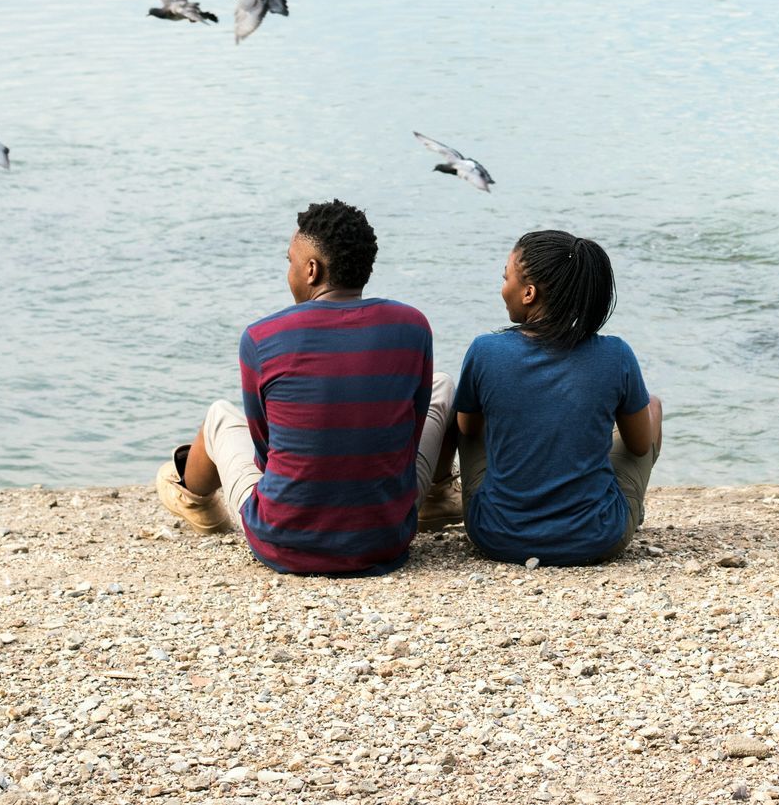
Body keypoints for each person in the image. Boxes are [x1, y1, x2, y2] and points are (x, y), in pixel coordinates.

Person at [155, 200, 459, 575]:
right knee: (443, 384)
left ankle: (194, 498)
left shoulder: (262, 337)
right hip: (385, 536)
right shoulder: (413, 326)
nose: (289, 271)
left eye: (290, 262)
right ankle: (438, 499)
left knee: (219, 417)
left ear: (312, 270)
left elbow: (265, 455)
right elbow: (409, 435)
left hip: (285, 540)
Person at [453, 229, 662, 566]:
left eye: (506, 278)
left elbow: (468, 429)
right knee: (651, 405)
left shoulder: (484, 350)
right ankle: (626, 509)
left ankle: (439, 496)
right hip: (596, 538)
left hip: (496, 535)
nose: (502, 287)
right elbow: (639, 446)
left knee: (463, 409)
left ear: (529, 293)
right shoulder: (616, 354)